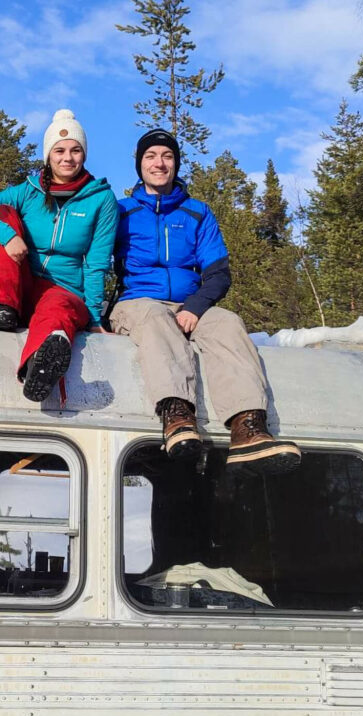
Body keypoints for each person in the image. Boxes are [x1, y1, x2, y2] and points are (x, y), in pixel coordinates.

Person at [109, 128, 301, 473]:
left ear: (176, 164)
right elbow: (92, 260)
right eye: (151, 156)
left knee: (227, 322)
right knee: (154, 316)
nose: (159, 163)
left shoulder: (197, 213)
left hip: (188, 303)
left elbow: (218, 273)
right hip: (137, 302)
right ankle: (177, 415)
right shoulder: (120, 212)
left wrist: (196, 307)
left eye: (167, 156)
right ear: (139, 164)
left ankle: (247, 426)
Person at [0, 109, 118, 402]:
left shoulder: (101, 199)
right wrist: (8, 235)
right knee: (1, 214)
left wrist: (95, 317)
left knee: (58, 306)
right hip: (21, 283)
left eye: (75, 150)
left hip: (64, 289)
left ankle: (42, 361)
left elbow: (98, 261)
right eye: (59, 150)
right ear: (48, 155)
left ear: (84, 155)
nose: (67, 158)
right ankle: (2, 308)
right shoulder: (28, 191)